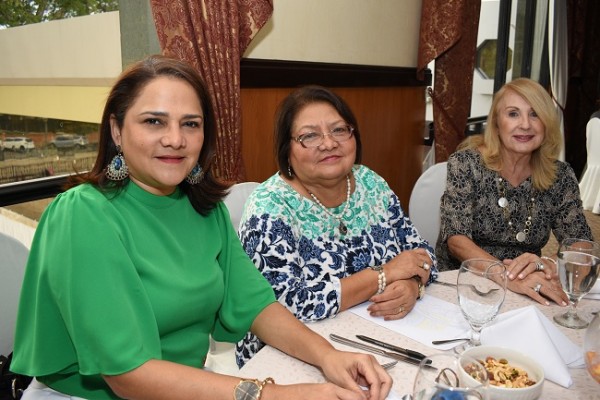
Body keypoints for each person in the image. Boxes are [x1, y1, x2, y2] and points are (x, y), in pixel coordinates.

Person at [10, 56, 393, 400]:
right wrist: (274, 396)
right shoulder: (83, 215)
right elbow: (128, 375)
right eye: (153, 121)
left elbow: (256, 306)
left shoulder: (202, 208)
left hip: (188, 385)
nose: (175, 139)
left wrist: (330, 357)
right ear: (116, 130)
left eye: (190, 124)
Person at [235, 85, 437, 367]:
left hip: (382, 335)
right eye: (309, 136)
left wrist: (412, 283)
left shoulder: (371, 183)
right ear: (287, 149)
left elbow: (423, 253)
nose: (329, 143)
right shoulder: (269, 208)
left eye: (339, 130)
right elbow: (286, 305)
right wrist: (385, 274)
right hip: (292, 354)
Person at [436, 77, 593, 305]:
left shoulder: (560, 176)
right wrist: (506, 276)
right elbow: (456, 239)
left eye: (535, 114)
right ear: (497, 124)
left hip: (529, 282)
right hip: (465, 280)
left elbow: (581, 244)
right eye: (513, 114)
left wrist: (550, 265)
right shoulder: (466, 164)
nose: (525, 125)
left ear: (546, 124)